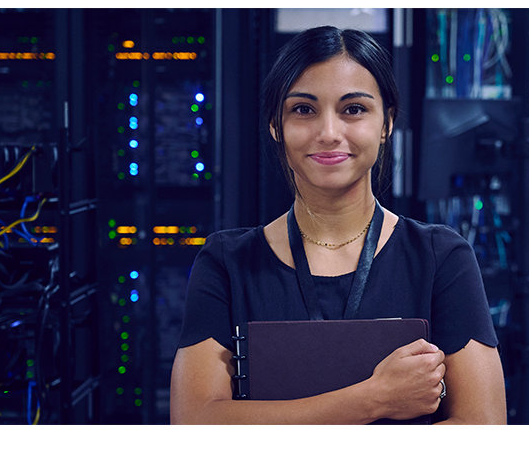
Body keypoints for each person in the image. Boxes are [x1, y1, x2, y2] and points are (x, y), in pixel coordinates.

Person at [169, 26, 506, 424]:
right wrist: (374, 398)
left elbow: (483, 428)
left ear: (386, 124)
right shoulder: (228, 263)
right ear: (276, 126)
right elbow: (195, 424)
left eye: (353, 109)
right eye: (304, 110)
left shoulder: (440, 257)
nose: (329, 133)